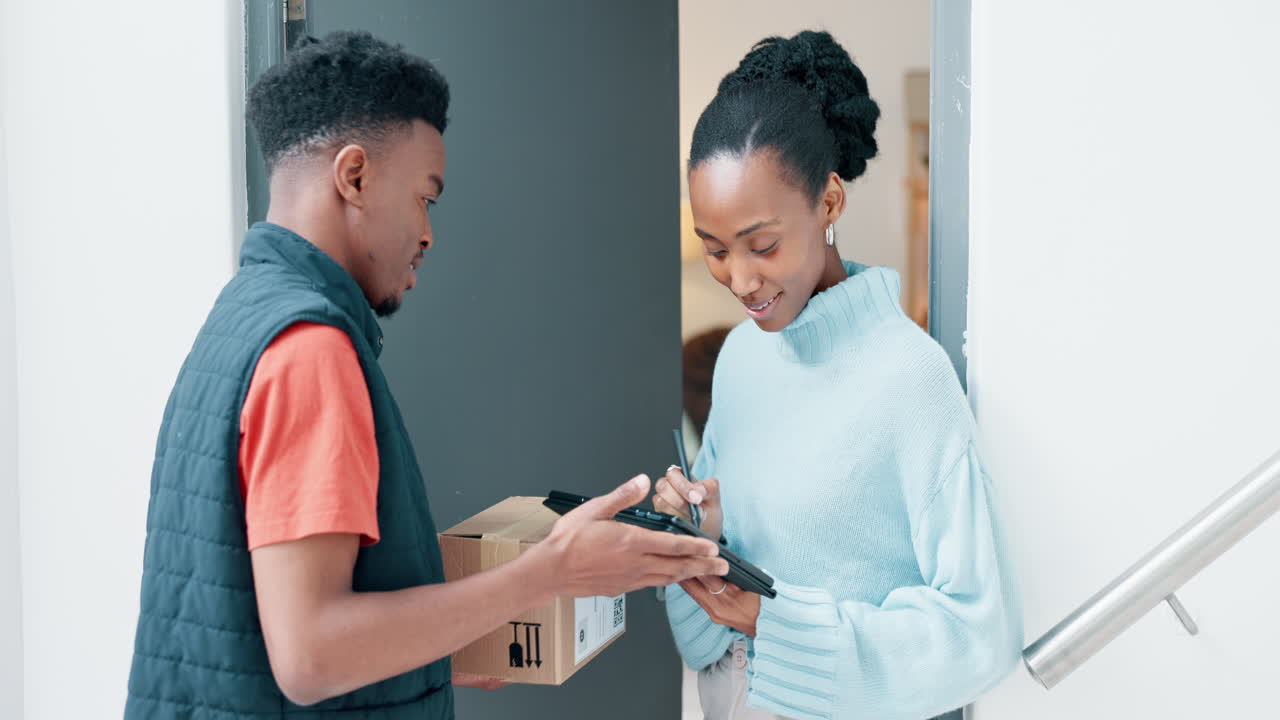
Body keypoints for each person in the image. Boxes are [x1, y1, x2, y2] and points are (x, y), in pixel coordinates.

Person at [123, 31, 727, 719]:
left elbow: (263, 624)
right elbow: (312, 655)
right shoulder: (310, 349)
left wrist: (442, 641)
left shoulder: (242, 315)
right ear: (353, 176)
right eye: (425, 198)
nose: (429, 232)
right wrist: (552, 573)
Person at [653, 31, 1023, 720]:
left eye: (763, 245)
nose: (741, 279)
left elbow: (981, 632)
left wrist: (777, 623)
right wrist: (699, 538)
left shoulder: (910, 378)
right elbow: (707, 633)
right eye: (715, 250)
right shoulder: (739, 360)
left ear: (828, 203)